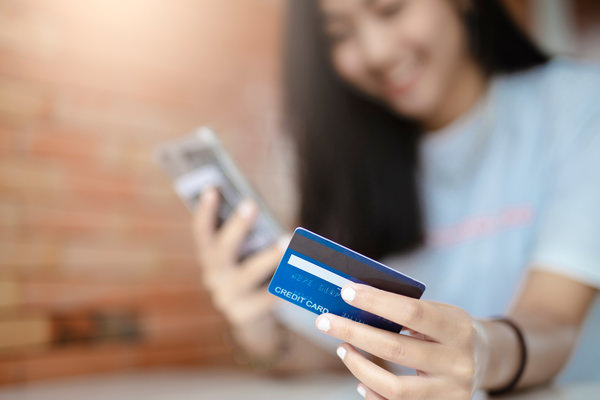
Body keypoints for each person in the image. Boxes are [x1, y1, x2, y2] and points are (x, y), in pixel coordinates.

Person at [193, 0, 600, 398]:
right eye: (340, 32)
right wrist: (257, 325)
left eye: (390, 9)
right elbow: (346, 351)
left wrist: (481, 351)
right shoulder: (353, 160)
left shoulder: (579, 106)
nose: (376, 51)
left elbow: (554, 321)